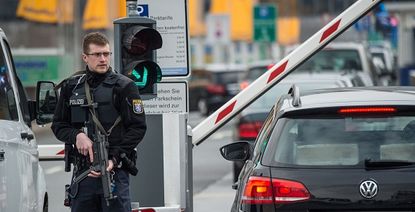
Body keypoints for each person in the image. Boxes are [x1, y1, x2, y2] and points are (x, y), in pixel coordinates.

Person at [51, 32, 146, 212]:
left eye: (106, 54)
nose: (103, 59)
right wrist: (77, 135)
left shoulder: (124, 86)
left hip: (114, 171)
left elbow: (138, 127)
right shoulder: (72, 87)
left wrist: (114, 159)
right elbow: (58, 125)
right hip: (83, 173)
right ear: (85, 57)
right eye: (97, 54)